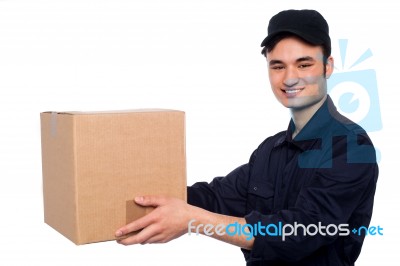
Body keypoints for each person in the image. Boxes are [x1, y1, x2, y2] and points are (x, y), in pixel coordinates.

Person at [115, 9, 378, 266]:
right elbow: (214, 197)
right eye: (278, 66)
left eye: (304, 64)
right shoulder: (269, 151)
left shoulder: (352, 148)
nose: (289, 78)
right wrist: (134, 200)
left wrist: (191, 219)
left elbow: (300, 232)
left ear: (328, 66)